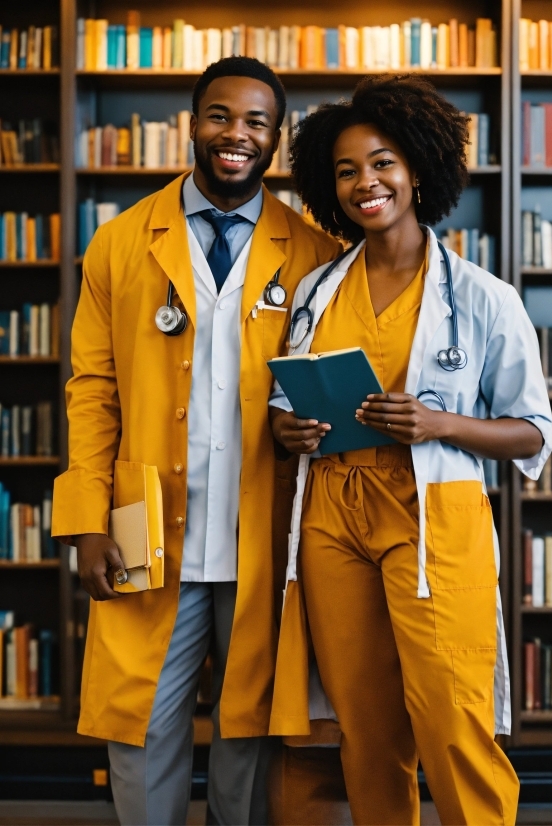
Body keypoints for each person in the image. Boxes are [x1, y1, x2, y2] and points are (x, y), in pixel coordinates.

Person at [51, 56, 340, 826]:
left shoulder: (312, 254)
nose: (235, 135)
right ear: (192, 122)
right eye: (220, 116)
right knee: (140, 729)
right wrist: (85, 521)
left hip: (262, 533)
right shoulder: (118, 243)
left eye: (256, 122)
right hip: (147, 528)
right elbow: (92, 390)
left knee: (249, 732)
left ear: (276, 139)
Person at [268, 75, 552, 826]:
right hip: (331, 518)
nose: (367, 182)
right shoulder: (316, 290)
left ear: (419, 168)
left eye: (384, 162)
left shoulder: (484, 296)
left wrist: (440, 424)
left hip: (433, 515)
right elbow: (281, 402)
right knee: (366, 730)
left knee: (452, 718)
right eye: (346, 169)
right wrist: (287, 429)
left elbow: (532, 432)